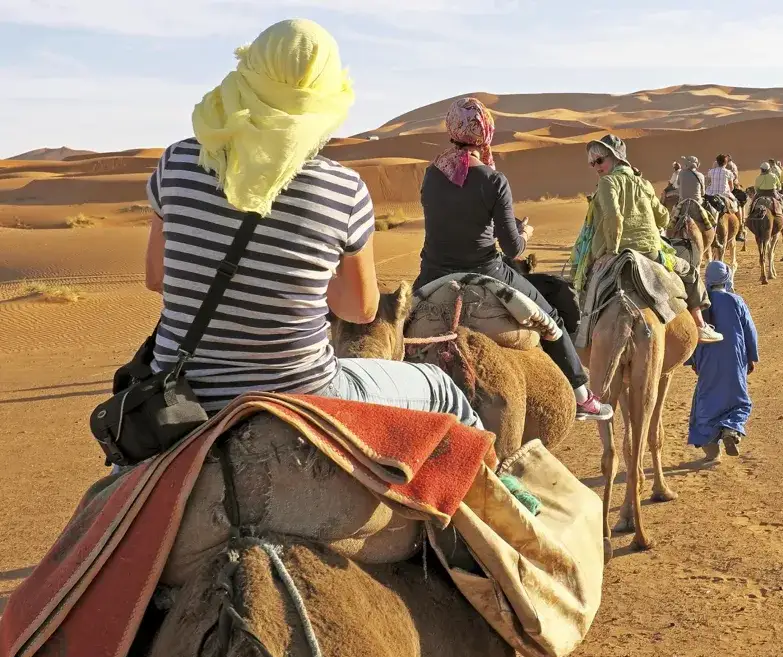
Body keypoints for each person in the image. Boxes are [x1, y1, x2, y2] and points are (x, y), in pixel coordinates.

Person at [142, 18, 481, 430]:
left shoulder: (177, 162)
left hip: (182, 393)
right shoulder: (343, 188)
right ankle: (500, 491)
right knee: (443, 389)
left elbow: (156, 276)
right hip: (303, 392)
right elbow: (359, 309)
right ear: (325, 96)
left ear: (248, 73)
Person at [416, 97, 613, 421]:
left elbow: (448, 221)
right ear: (486, 133)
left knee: (398, 326)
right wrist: (524, 234)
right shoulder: (493, 180)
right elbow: (512, 250)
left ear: (452, 129)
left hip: (433, 274)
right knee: (551, 318)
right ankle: (581, 395)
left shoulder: (431, 175)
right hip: (486, 272)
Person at [582, 135, 723, 343]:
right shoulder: (644, 184)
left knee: (581, 281)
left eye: (600, 160)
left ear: (616, 158)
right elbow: (663, 217)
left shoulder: (607, 182)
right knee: (689, 272)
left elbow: (613, 217)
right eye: (592, 162)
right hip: (650, 252)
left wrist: (612, 250)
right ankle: (700, 325)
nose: (596, 166)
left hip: (612, 252)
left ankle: (580, 333)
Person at [687, 260, 758, 463]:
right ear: (726, 278)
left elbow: (693, 334)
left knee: (706, 403)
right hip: (735, 359)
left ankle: (712, 452)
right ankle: (731, 429)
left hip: (707, 362)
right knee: (738, 399)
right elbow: (749, 331)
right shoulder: (736, 301)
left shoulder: (699, 306)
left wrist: (693, 360)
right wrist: (751, 356)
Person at [705, 154, 744, 242]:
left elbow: (708, 183)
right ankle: (740, 229)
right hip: (724, 194)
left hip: (711, 194)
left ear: (717, 162)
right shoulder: (728, 172)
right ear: (726, 163)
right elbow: (731, 187)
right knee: (737, 205)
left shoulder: (711, 172)